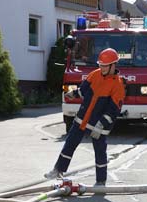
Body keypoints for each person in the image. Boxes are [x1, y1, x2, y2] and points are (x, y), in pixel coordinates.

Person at [44, 48, 125, 185]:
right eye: (100, 65)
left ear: (113, 65)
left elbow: (113, 110)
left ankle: (101, 181)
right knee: (69, 144)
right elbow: (84, 91)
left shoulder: (117, 85)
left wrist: (100, 125)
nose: (102, 68)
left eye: (105, 65)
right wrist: (74, 93)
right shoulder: (94, 74)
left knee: (100, 152)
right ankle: (58, 169)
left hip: (98, 125)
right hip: (82, 119)